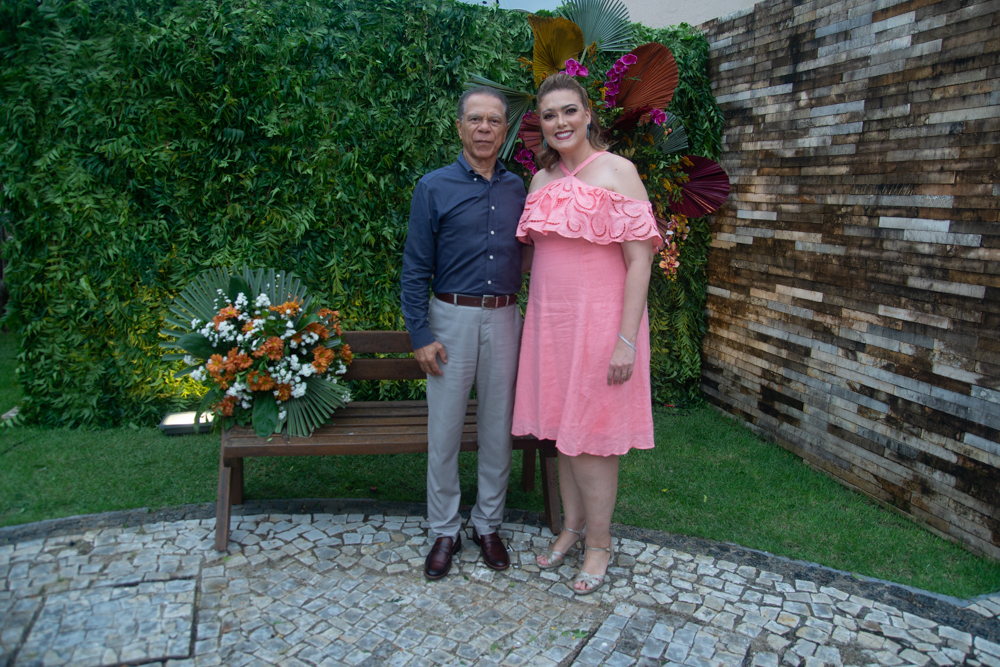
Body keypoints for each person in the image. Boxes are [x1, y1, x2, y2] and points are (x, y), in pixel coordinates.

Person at [512, 73, 660, 595]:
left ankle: (599, 543)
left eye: (569, 110)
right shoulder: (539, 181)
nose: (560, 122)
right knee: (562, 432)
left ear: (588, 113)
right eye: (549, 115)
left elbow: (640, 262)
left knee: (592, 440)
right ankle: (571, 528)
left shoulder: (619, 172)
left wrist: (626, 340)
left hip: (601, 328)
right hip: (551, 326)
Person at [401, 87, 527, 580]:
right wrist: (419, 334)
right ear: (459, 127)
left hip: (505, 318)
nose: (484, 128)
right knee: (445, 431)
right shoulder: (433, 187)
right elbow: (415, 268)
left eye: (493, 120)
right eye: (475, 119)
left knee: (498, 429)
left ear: (504, 130)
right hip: (449, 319)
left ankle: (487, 524)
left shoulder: (519, 189)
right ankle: (445, 530)